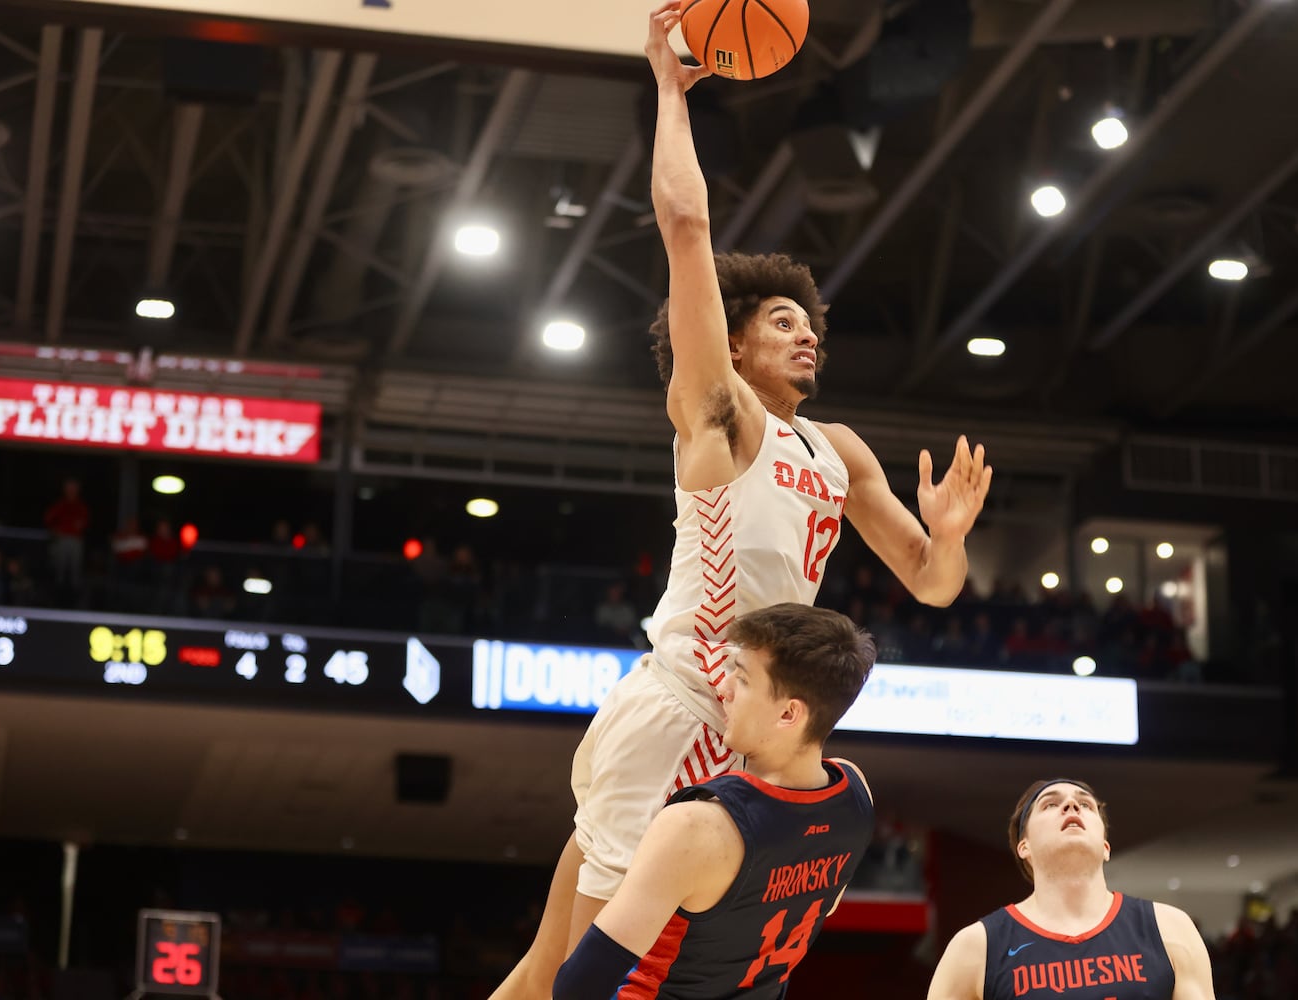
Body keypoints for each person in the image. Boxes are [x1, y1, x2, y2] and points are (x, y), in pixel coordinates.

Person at [490, 6, 992, 999]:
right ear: (735, 343)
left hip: (733, 716)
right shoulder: (722, 422)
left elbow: (933, 586)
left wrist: (949, 537)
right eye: (780, 320)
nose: (806, 335)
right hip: (683, 710)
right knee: (586, 984)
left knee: (545, 969)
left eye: (810, 322)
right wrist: (671, 95)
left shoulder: (838, 449)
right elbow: (685, 224)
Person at [551, 603, 876, 1000]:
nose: (721, 687)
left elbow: (576, 988)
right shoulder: (855, 794)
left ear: (789, 714)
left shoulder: (697, 827)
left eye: (740, 678)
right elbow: (822, 907)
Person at [925, 779, 1216, 1000]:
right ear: (1023, 846)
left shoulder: (1169, 928)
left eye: (1086, 804)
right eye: (1050, 804)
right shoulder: (976, 945)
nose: (1072, 806)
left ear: (1105, 846)